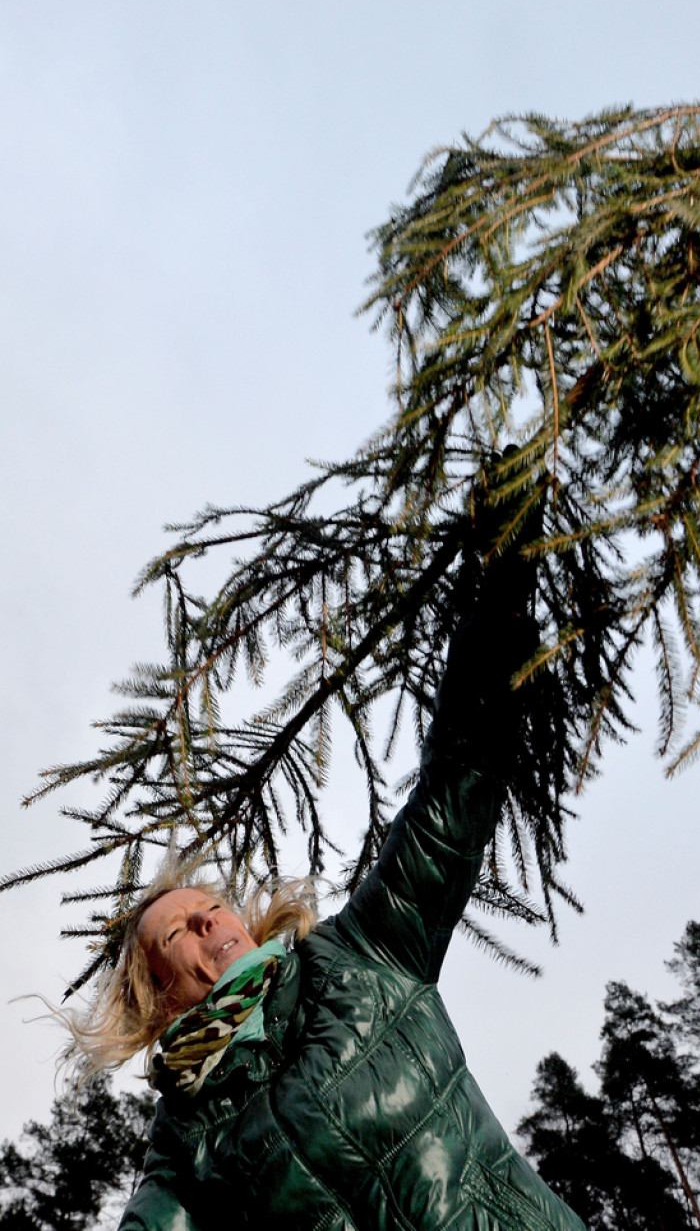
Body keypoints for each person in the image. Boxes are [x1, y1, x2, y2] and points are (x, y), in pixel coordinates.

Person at [67, 511, 586, 1230]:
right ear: (159, 997)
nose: (210, 920)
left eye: (210, 906)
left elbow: (454, 786)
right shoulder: (187, 1144)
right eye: (178, 932)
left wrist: (497, 601)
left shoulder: (360, 956)